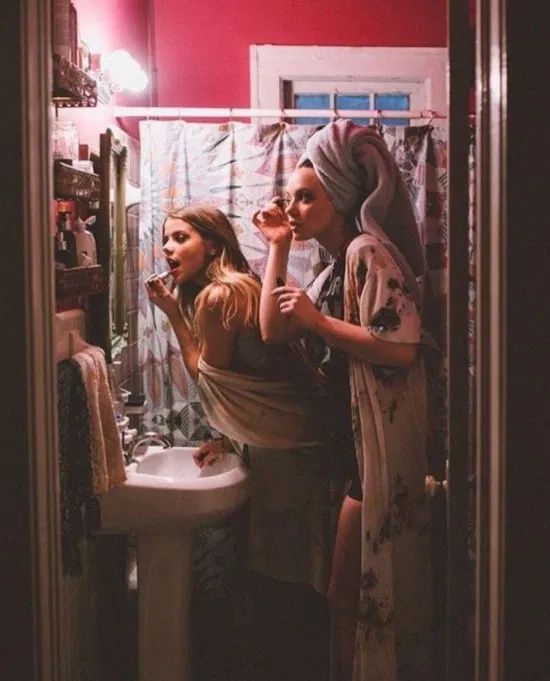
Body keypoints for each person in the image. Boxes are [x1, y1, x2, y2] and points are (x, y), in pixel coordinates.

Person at [254, 119, 434, 681]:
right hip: (349, 447)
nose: (293, 207)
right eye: (292, 197)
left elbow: (402, 349)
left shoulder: (365, 252)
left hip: (371, 451)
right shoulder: (337, 265)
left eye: (307, 197)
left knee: (348, 593)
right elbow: (272, 331)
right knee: (347, 593)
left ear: (340, 197)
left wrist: (319, 323)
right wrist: (279, 250)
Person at [145, 203, 340, 681]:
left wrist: (171, 312)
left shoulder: (219, 296)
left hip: (286, 451)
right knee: (298, 567)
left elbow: (208, 376)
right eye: (166, 239)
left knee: (283, 573)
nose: (168, 248)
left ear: (211, 245)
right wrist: (232, 441)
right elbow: (252, 376)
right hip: (294, 442)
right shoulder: (242, 286)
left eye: (180, 238)